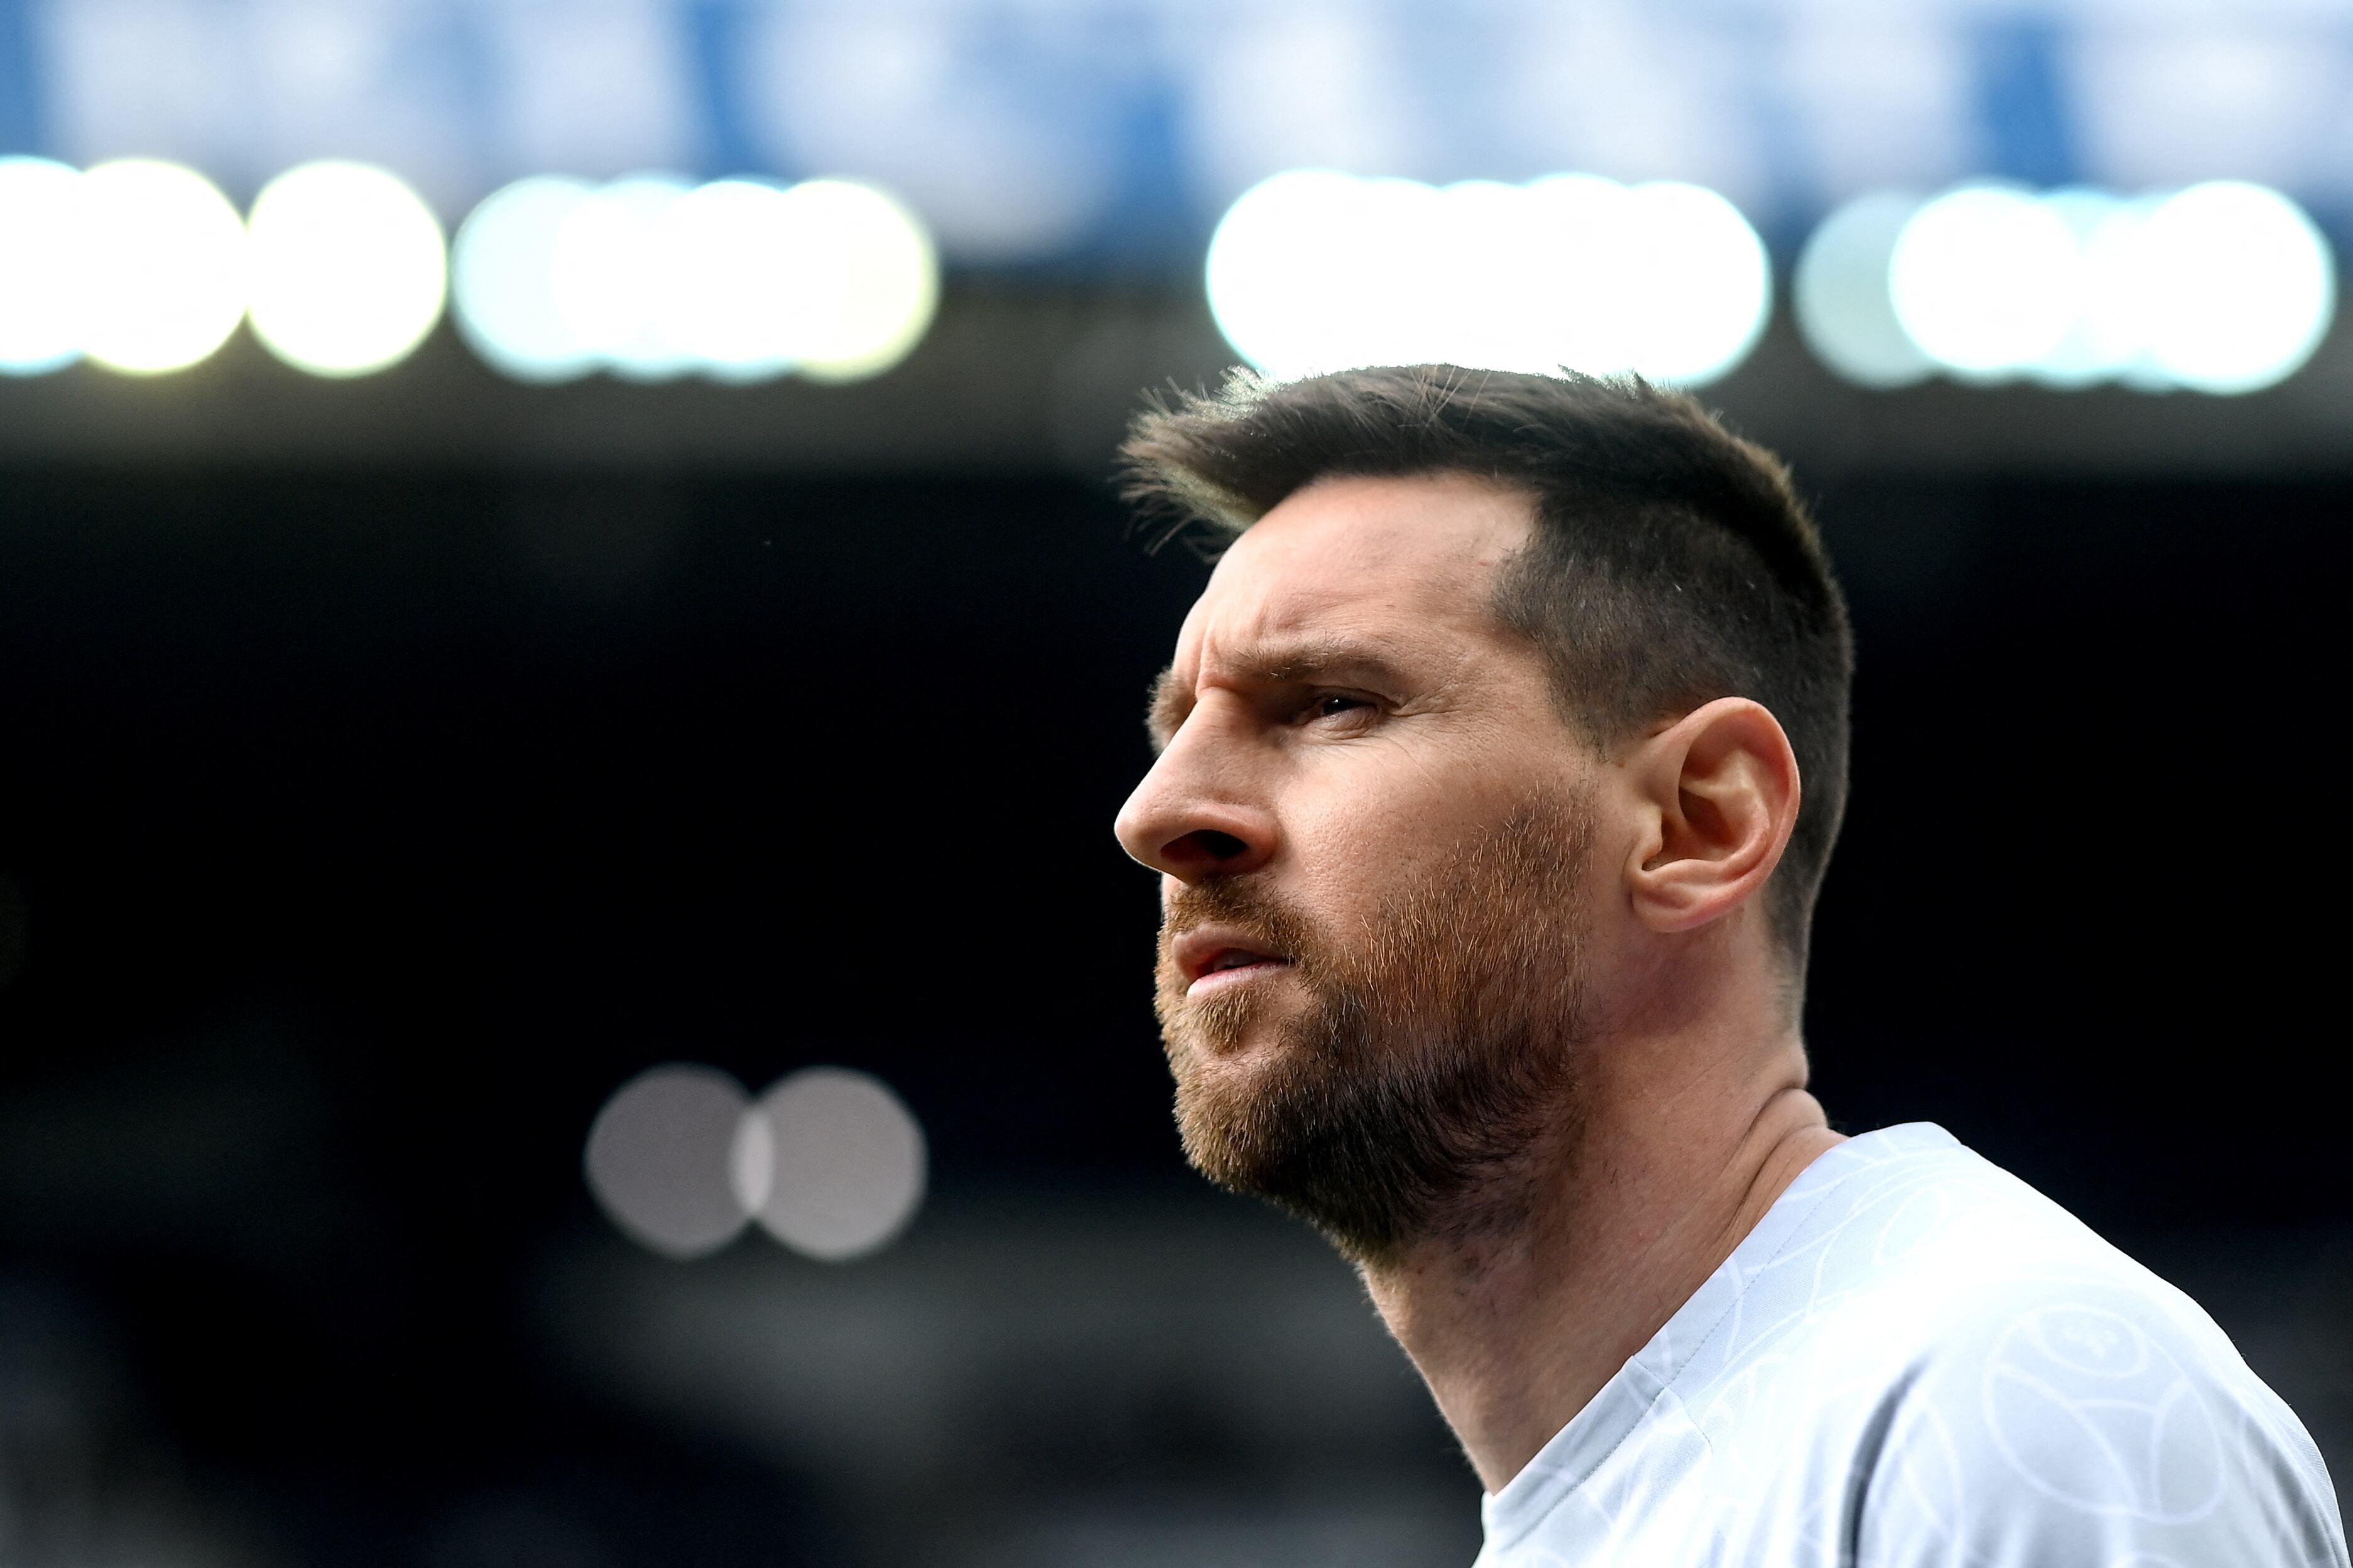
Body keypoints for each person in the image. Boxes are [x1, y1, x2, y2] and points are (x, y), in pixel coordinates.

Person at [1111, 365, 2347, 1567]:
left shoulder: (1997, 1407)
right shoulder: (1684, 1470)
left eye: (1329, 701)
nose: (1157, 813)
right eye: (1178, 729)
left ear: (1700, 821)